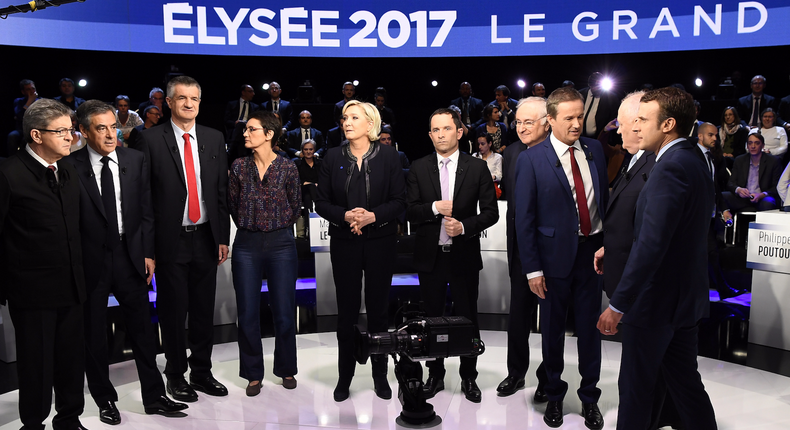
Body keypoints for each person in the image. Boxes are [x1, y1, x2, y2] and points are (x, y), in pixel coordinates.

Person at [597, 86, 718, 430]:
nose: (636, 128)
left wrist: (618, 304)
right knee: (686, 386)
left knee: (636, 391)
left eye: (643, 120)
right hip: (683, 302)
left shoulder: (670, 167)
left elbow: (652, 245)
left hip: (655, 305)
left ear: (667, 125)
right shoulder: (693, 157)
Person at [63, 100, 187, 424]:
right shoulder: (70, 166)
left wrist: (148, 253)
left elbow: (146, 211)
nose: (109, 134)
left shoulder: (135, 159)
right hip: (91, 262)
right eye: (100, 128)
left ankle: (155, 396)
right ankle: (105, 400)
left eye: (112, 127)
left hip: (131, 257)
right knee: (95, 335)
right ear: (85, 131)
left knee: (143, 331)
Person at [514, 87, 608, 429]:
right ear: (550, 120)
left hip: (592, 255)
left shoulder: (595, 149)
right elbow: (523, 221)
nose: (577, 123)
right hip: (551, 261)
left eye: (580, 116)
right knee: (552, 332)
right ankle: (554, 395)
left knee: (590, 331)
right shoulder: (530, 160)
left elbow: (605, 203)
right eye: (569, 117)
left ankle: (589, 398)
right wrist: (532, 269)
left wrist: (607, 242)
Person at [138, 75, 231, 403]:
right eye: (182, 98)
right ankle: (175, 374)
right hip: (169, 240)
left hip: (206, 237)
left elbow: (219, 191)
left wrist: (222, 235)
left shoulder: (214, 137)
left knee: (204, 310)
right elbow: (144, 198)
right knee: (173, 311)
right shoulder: (149, 139)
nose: (189, 104)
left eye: (194, 98)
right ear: (169, 102)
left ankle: (201, 372)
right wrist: (146, 249)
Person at [0, 98, 88, 430]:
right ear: (36, 135)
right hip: (31, 292)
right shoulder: (8, 174)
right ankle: (33, 424)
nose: (70, 137)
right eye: (62, 131)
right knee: (36, 365)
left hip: (72, 285)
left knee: (70, 360)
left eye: (71, 131)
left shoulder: (68, 169)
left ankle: (69, 419)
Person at [315, 100, 406, 402]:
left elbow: (398, 201)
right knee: (347, 313)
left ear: (370, 124)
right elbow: (321, 202)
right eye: (344, 117)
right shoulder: (330, 157)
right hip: (345, 242)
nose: (347, 121)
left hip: (380, 241)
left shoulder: (391, 157)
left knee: (379, 312)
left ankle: (380, 375)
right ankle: (345, 377)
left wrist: (371, 216)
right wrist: (346, 216)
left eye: (354, 117)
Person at [407, 108, 499, 403]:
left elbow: (491, 213)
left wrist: (464, 226)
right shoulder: (419, 167)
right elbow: (409, 211)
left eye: (447, 128)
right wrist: (434, 207)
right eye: (436, 130)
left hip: (463, 256)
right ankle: (435, 376)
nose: (441, 134)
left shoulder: (476, 168)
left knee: (468, 318)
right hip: (430, 257)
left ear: (459, 132)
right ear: (430, 135)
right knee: (431, 319)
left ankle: (469, 376)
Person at [228, 110, 301, 396]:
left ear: (269, 134)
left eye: (251, 129)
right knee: (247, 312)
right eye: (245, 130)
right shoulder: (237, 167)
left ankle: (286, 369)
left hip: (281, 243)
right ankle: (252, 373)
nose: (245, 134)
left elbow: (295, 206)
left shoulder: (288, 168)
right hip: (246, 243)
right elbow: (232, 206)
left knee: (283, 311)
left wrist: (274, 224)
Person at [497, 97, 550, 398]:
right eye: (517, 122)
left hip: (552, 249)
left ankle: (547, 378)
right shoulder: (513, 153)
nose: (521, 128)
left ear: (547, 122)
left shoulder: (558, 151)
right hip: (519, 249)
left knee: (550, 320)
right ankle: (516, 372)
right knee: (518, 316)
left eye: (528, 122)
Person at [723, 130, 782, 212]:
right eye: (750, 143)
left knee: (768, 202)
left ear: (762, 146)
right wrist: (739, 189)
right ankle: (728, 222)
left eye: (757, 143)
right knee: (723, 196)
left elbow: (777, 186)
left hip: (762, 198)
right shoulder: (739, 160)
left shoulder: (773, 161)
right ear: (747, 146)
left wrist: (761, 195)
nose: (753, 146)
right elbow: (731, 183)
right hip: (743, 198)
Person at [579, 72, 619, 139]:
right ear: (589, 85)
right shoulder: (580, 94)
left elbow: (615, 117)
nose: (598, 88)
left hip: (599, 138)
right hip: (579, 138)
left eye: (599, 86)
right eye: (595, 86)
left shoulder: (611, 97)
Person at [7, 79, 40, 155]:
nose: (32, 91)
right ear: (23, 92)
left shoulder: (40, 101)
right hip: (22, 129)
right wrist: (30, 101)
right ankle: (12, 161)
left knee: (26, 139)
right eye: (28, 89)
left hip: (36, 129)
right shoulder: (18, 101)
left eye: (33, 88)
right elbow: (20, 116)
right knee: (12, 136)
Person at [294, 139, 321, 211]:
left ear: (314, 150)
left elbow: (324, 178)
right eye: (306, 149)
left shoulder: (321, 163)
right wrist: (308, 184)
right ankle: (317, 210)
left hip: (318, 190)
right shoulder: (297, 164)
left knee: (308, 196)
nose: (308, 152)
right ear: (302, 150)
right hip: (302, 190)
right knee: (309, 191)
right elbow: (295, 180)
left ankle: (308, 219)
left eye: (311, 149)